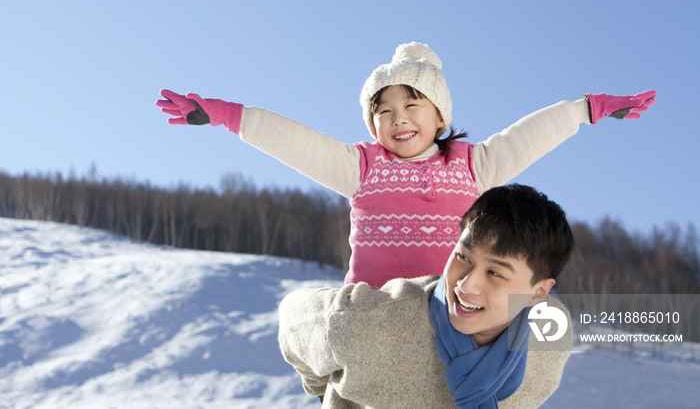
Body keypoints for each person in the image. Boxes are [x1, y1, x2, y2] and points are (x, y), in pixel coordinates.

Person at [156, 42, 656, 288]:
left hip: (451, 305)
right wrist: (225, 115)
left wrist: (586, 109)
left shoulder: (473, 165)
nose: (397, 119)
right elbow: (295, 142)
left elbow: (530, 135)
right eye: (382, 110)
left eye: (412, 105)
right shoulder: (361, 167)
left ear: (440, 114)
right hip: (372, 305)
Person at [278, 184, 574, 409]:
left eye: (495, 273)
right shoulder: (373, 325)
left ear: (538, 293)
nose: (467, 285)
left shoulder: (551, 341)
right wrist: (325, 391)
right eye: (463, 256)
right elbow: (293, 321)